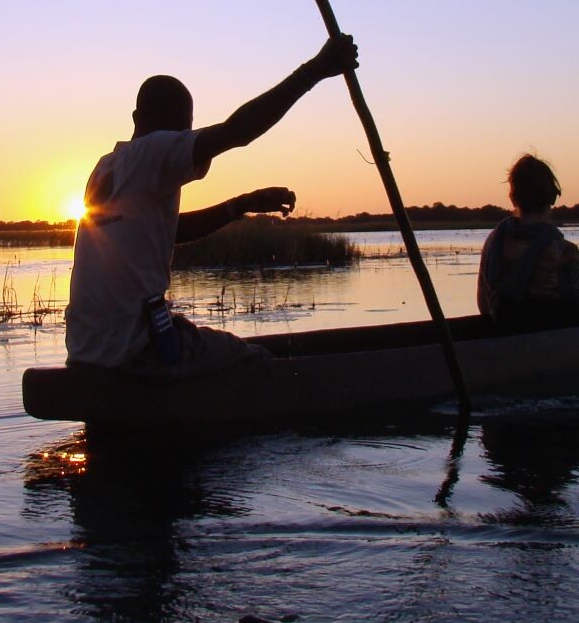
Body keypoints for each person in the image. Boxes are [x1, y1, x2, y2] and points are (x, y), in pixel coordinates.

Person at [64, 34, 359, 377]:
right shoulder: (159, 149)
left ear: (134, 117)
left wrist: (240, 205)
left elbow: (169, 231)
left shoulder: (106, 169)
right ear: (183, 127)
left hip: (86, 353)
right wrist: (315, 70)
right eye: (187, 126)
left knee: (203, 341)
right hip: (133, 353)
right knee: (256, 361)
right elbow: (238, 131)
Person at [477, 155, 579, 332]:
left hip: (505, 335)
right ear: (552, 197)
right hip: (552, 343)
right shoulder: (564, 250)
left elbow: (484, 307)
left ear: (513, 197)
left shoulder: (493, 244)